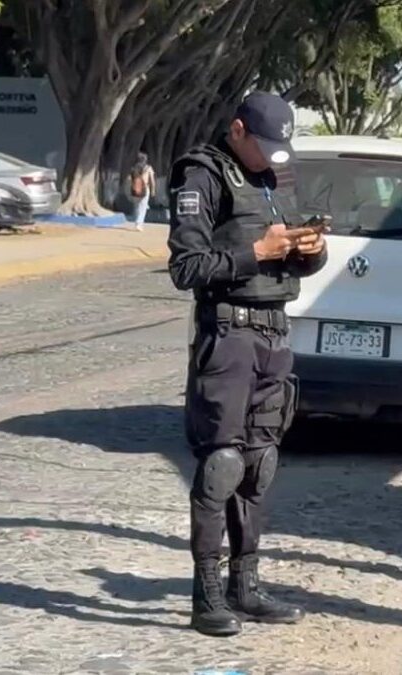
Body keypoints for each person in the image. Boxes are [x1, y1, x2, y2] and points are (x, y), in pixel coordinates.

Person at [167, 91, 329, 636]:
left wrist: (308, 249)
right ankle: (206, 596)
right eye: (262, 146)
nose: (271, 158)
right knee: (223, 464)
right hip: (228, 333)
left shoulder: (274, 176)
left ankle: (246, 585)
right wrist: (255, 253)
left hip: (273, 333)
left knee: (261, 463)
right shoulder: (202, 175)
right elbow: (187, 268)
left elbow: (296, 262)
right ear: (236, 131)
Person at [130, 152, 156, 231]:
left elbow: (131, 179)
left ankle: (136, 222)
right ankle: (139, 223)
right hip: (145, 189)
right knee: (143, 207)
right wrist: (153, 190)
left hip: (135, 189)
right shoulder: (148, 168)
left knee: (136, 206)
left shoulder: (134, 168)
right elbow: (152, 180)